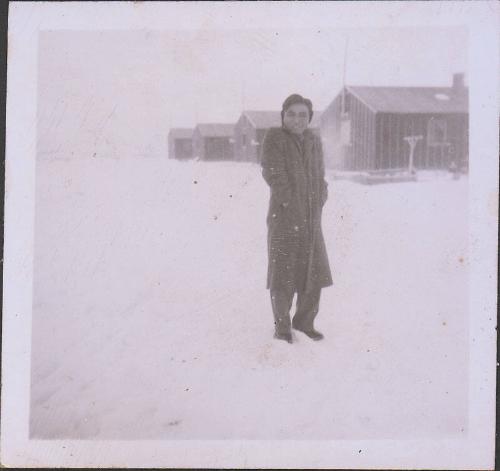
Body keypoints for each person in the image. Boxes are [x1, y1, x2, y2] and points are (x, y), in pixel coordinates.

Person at [261, 93, 333, 344]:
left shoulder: (313, 140)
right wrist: (290, 203)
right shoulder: (275, 138)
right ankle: (282, 329)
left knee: (314, 271)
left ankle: (304, 324)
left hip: (312, 218)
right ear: (283, 116)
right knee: (283, 273)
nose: (297, 119)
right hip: (285, 216)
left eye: (303, 115)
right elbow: (273, 174)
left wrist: (322, 194)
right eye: (291, 114)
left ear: (309, 118)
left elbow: (320, 172)